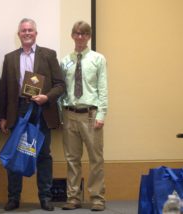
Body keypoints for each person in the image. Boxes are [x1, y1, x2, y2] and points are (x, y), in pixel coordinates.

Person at [0, 18, 65, 211]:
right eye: (23, 30)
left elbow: (60, 85)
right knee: (15, 154)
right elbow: (4, 90)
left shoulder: (49, 55)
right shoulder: (9, 58)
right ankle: (13, 198)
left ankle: (45, 198)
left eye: (30, 30)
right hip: (18, 111)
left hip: (42, 111)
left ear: (36, 33)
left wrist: (47, 97)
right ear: (18, 34)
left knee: (44, 155)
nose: (27, 33)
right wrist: (2, 116)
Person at [60, 21, 108, 211]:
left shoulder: (98, 59)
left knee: (96, 159)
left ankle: (97, 198)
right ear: (72, 35)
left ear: (89, 37)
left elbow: (103, 89)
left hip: (91, 114)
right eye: (77, 33)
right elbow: (62, 90)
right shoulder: (65, 61)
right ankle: (73, 198)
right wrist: (59, 115)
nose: (80, 37)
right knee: (72, 159)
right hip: (69, 113)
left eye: (84, 34)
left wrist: (102, 114)